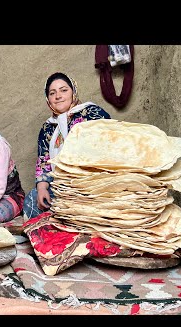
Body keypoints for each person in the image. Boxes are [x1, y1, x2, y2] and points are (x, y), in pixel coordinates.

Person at [23, 72, 111, 220]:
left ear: (73, 92)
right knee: (32, 201)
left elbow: (109, 146)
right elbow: (44, 162)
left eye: (64, 90)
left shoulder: (92, 113)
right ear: (48, 100)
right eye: (52, 93)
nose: (58, 96)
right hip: (61, 186)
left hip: (92, 183)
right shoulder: (48, 128)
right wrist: (42, 188)